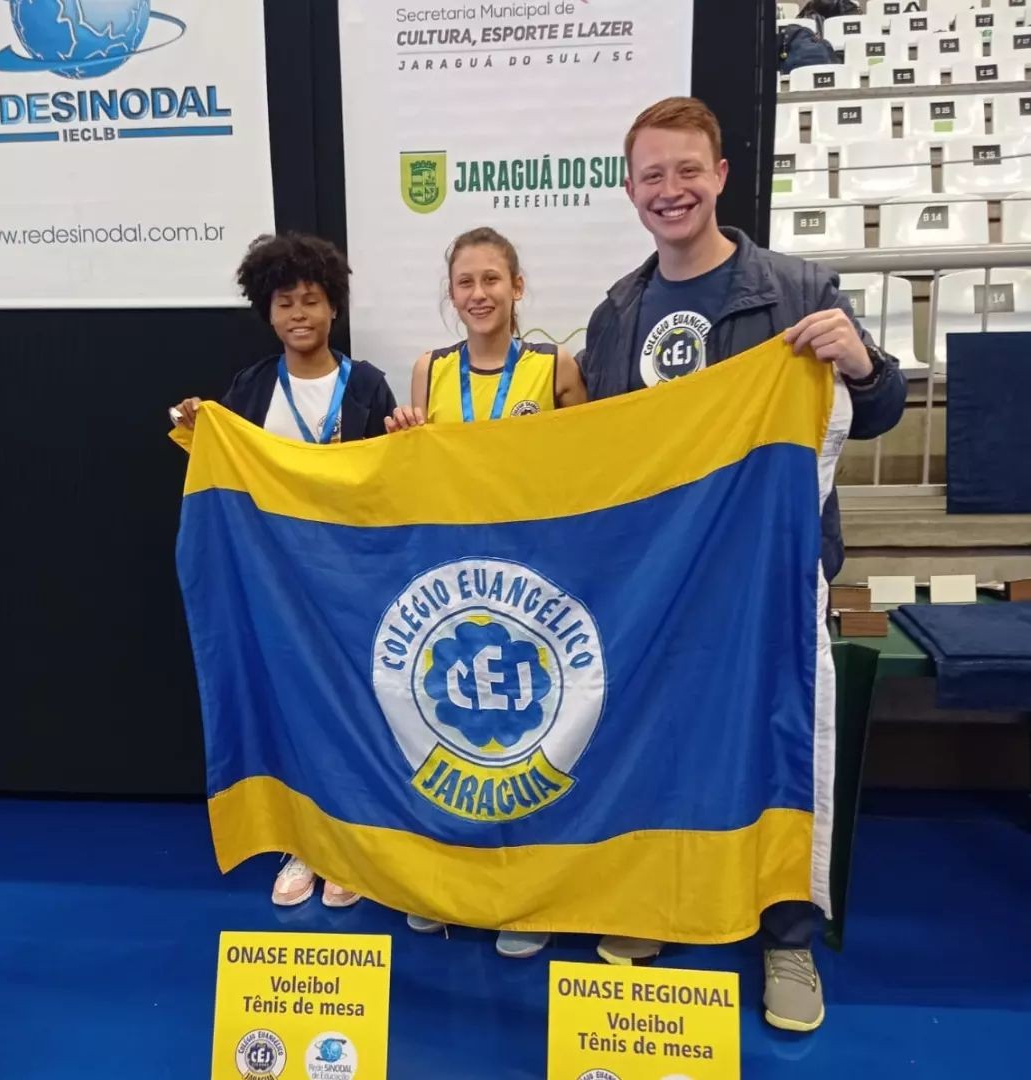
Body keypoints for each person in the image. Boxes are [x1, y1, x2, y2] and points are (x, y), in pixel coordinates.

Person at [580, 97, 907, 1032]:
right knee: (652, 744)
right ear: (630, 190)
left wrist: (863, 364)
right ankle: (654, 902)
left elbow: (877, 412)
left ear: (720, 175)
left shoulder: (799, 288)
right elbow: (600, 454)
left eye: (688, 170)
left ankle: (787, 937)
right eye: (652, 175)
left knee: (779, 750)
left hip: (769, 578)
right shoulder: (617, 313)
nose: (671, 190)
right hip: (660, 583)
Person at [171, 231, 397, 910]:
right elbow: (223, 473)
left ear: (334, 308)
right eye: (285, 303)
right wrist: (196, 424)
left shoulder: (368, 385)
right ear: (268, 313)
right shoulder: (250, 387)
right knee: (294, 710)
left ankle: (351, 845)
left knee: (354, 709)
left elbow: (391, 480)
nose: (299, 313)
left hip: (352, 584)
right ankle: (305, 842)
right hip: (276, 587)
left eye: (312, 299)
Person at [385, 225, 587, 958]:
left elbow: (591, 466)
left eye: (492, 280)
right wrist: (404, 434)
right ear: (452, 292)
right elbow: (415, 473)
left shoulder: (554, 366)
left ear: (517, 287)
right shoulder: (429, 369)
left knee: (527, 736)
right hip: (453, 581)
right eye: (465, 282)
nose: (478, 294)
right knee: (451, 732)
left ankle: (524, 898)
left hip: (532, 580)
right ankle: (447, 882)